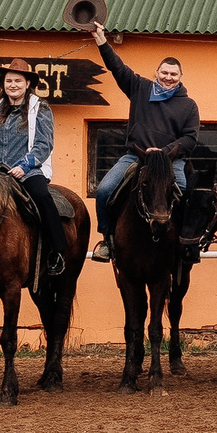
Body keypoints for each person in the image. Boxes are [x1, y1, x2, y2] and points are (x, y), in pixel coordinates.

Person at [88, 23, 200, 260]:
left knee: (188, 196)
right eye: (164, 73)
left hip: (171, 161)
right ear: (156, 73)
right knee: (104, 190)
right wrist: (101, 40)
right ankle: (107, 239)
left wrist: (164, 152)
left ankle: (186, 244)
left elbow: (190, 138)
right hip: (135, 157)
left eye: (173, 74)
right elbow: (117, 67)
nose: (168, 78)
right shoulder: (140, 88)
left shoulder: (188, 105)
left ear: (180, 78)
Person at [0, 58, 60, 283]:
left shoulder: (40, 107)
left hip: (27, 170)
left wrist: (24, 165)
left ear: (27, 83)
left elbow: (44, 143)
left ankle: (57, 252)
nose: (13, 85)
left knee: (42, 197)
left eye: (18, 81)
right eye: (9, 81)